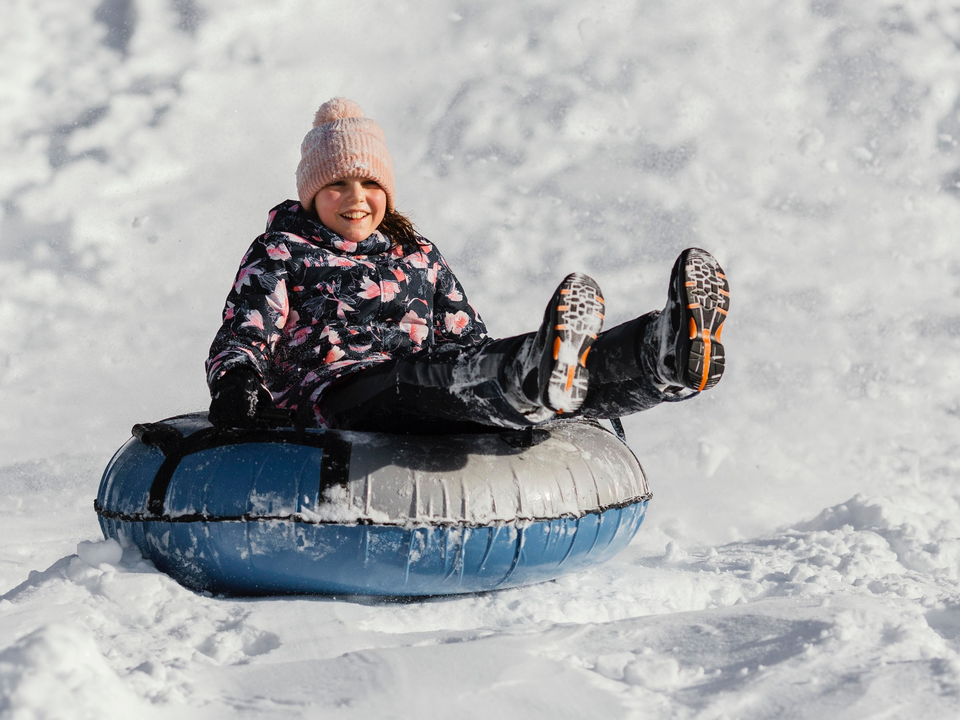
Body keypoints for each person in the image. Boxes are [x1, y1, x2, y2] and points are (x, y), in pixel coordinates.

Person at [206, 98, 729, 434]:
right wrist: (236, 384)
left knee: (485, 362)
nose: (356, 198)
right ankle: (531, 380)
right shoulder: (282, 251)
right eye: (337, 185)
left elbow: (464, 337)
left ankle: (657, 358)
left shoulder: (417, 254)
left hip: (424, 382)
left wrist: (493, 357)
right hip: (334, 394)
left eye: (370, 185)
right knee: (422, 379)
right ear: (312, 194)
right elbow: (244, 333)